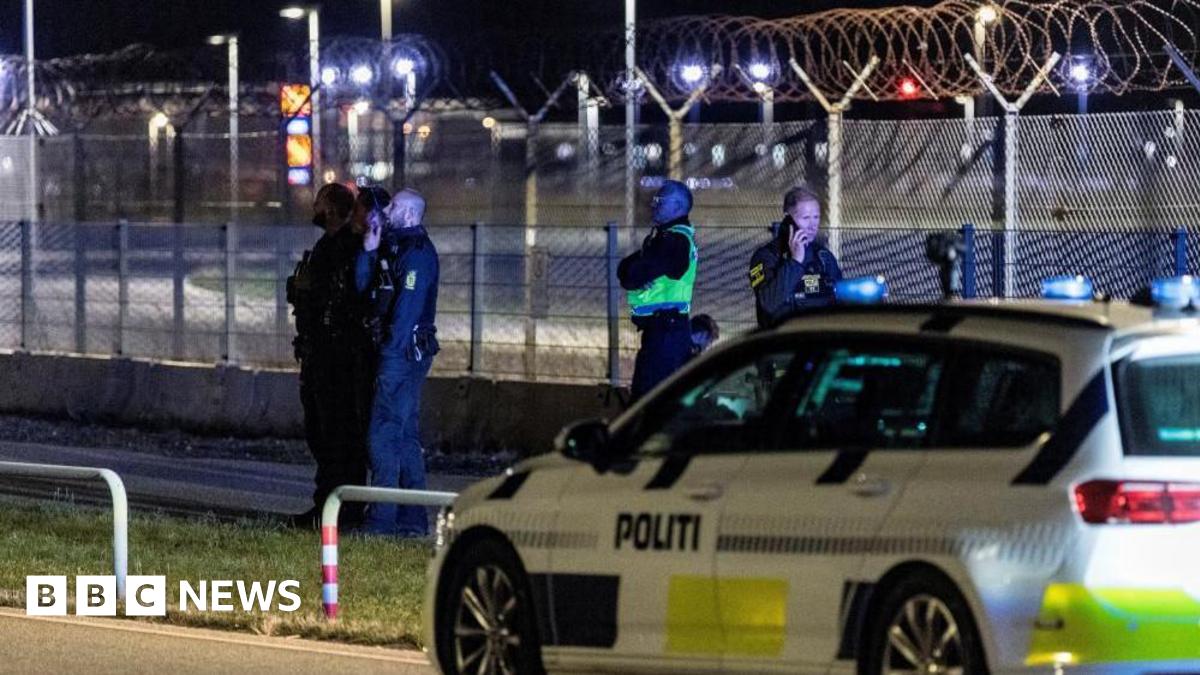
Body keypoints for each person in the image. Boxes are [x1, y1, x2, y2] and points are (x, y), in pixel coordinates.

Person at [356, 187, 440, 537]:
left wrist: (389, 357)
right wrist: (369, 251)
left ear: (407, 214)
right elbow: (364, 289)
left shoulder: (417, 255)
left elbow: (405, 316)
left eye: (392, 206)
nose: (386, 210)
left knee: (382, 436)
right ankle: (411, 520)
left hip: (402, 356)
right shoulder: (393, 247)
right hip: (398, 353)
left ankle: (381, 521)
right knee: (404, 437)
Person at [286, 183, 371, 529]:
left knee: (339, 437)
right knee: (320, 434)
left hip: (338, 358)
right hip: (318, 354)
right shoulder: (327, 246)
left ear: (333, 209)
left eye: (320, 204)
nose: (315, 210)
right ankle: (326, 506)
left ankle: (341, 510)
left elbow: (341, 300)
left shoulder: (347, 248)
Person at [618, 180, 699, 401]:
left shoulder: (674, 241)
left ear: (678, 207)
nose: (653, 205)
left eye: (659, 201)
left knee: (647, 401)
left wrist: (632, 272)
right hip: (665, 330)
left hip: (666, 334)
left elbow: (633, 273)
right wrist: (630, 271)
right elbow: (626, 268)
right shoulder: (665, 237)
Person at [748, 186, 843, 328]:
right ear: (789, 221)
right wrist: (795, 261)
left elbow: (841, 301)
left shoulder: (823, 257)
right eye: (805, 218)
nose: (812, 225)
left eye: (816, 217)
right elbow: (768, 303)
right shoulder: (766, 257)